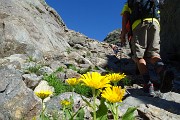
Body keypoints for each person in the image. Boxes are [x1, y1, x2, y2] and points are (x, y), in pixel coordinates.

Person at [120, 0, 174, 97]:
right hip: (155, 23)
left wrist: (123, 33)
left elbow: (125, 15)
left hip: (139, 24)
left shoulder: (129, 2)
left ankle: (148, 84)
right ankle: (163, 71)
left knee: (139, 57)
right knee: (154, 54)